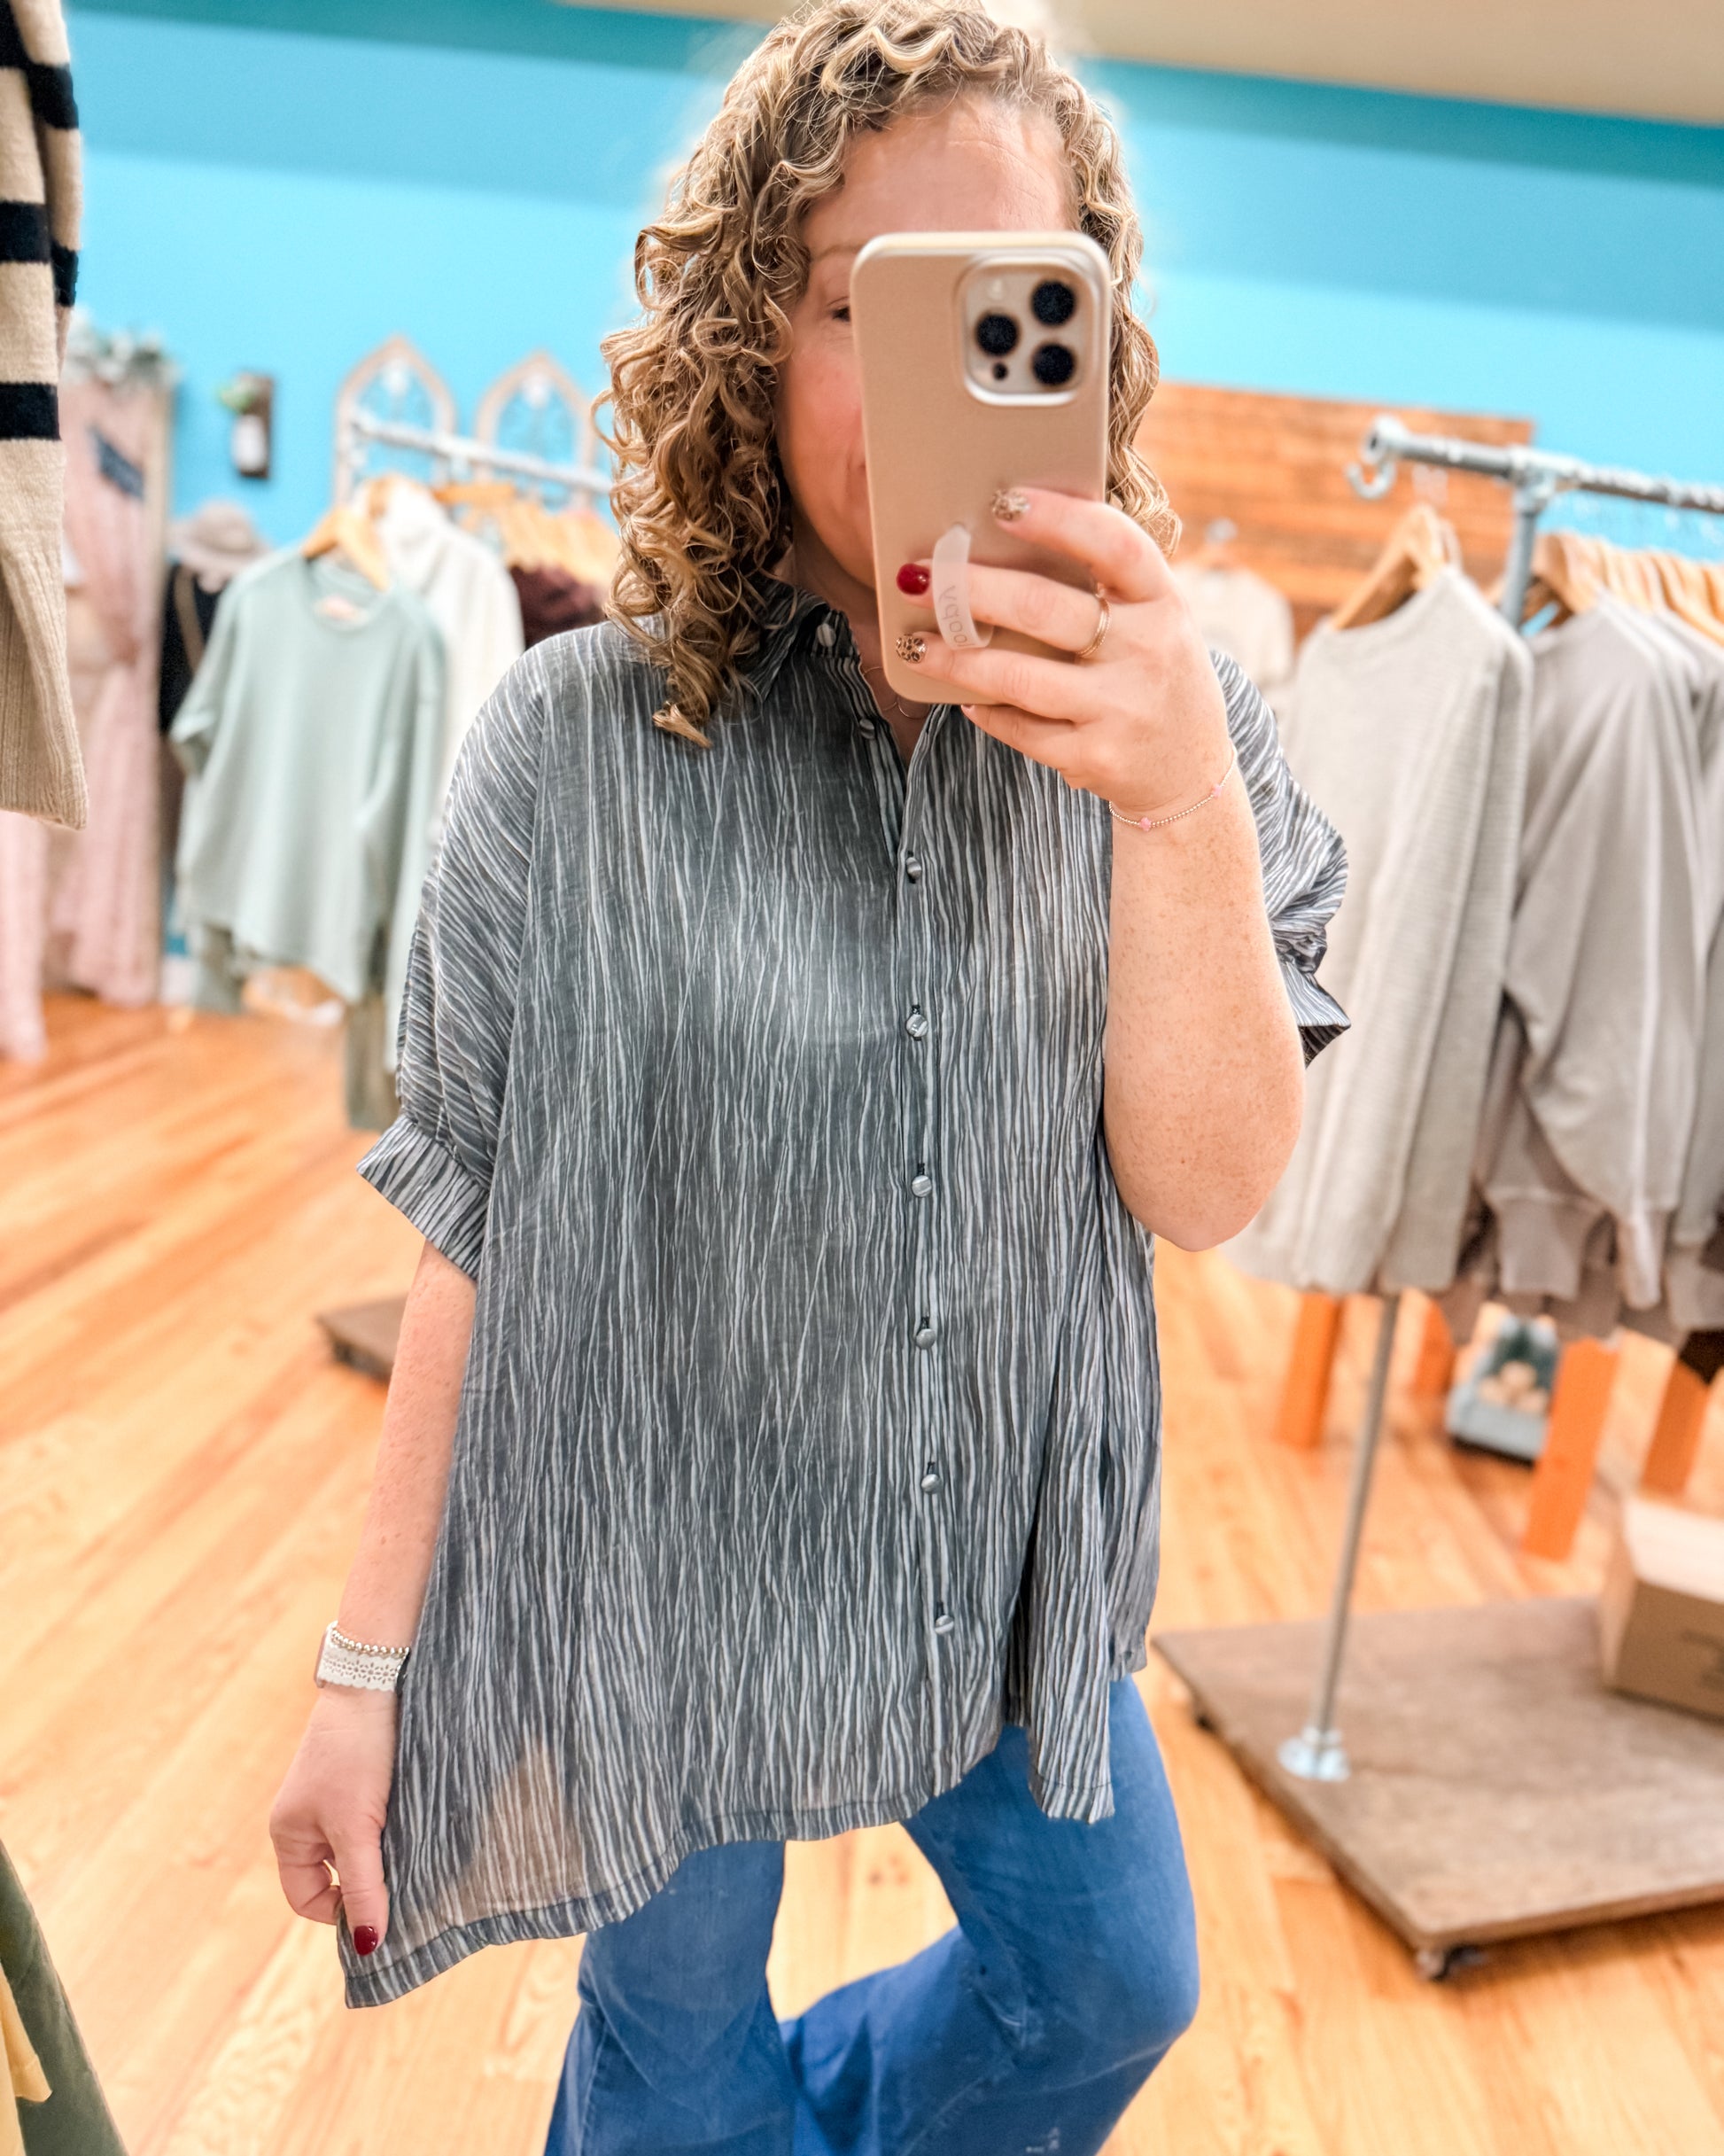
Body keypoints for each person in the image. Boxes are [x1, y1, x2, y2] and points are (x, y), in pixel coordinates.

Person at [268, 4, 1347, 2150]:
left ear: (1096, 343)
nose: (941, 386)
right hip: (662, 1568)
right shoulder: (571, 749)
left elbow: (1211, 1184)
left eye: (1013, 313)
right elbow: (476, 1225)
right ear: (754, 331)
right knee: (672, 2084)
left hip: (996, 1567)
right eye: (875, 307)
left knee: (1114, 1978)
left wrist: (1170, 808)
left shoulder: (1176, 740)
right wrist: (361, 1670)